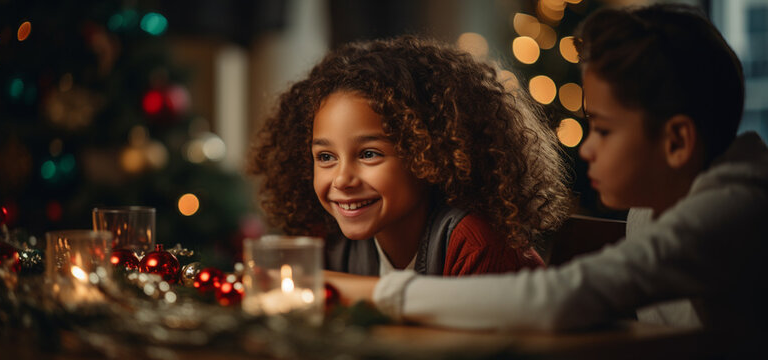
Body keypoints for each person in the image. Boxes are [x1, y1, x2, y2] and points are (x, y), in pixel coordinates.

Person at [326, 3, 768, 355]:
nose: (587, 147)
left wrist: (372, 293)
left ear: (677, 142)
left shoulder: (735, 209)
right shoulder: (651, 210)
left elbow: (559, 299)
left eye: (603, 128)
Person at [247, 36, 571, 277]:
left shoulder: (477, 245)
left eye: (369, 154)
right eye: (326, 157)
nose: (342, 179)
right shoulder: (324, 238)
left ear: (430, 154)